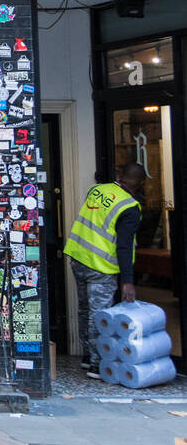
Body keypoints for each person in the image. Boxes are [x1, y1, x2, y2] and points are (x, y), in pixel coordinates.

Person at [65, 162, 145, 379]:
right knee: (98, 314)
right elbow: (124, 245)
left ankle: (86, 356)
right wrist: (127, 280)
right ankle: (96, 364)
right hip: (101, 266)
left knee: (84, 309)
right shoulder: (130, 207)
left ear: (121, 175)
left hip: (78, 256)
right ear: (139, 183)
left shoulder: (97, 190)